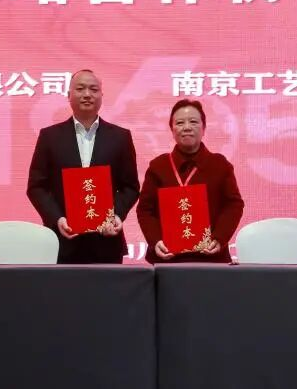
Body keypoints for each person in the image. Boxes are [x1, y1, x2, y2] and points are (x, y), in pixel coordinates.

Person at [27, 69, 140, 263]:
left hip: (106, 241)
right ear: (68, 95)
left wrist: (116, 216)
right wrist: (57, 219)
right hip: (62, 241)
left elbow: (130, 187)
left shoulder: (120, 137)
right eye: (80, 89)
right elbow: (36, 187)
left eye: (93, 89)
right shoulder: (49, 137)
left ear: (102, 95)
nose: (87, 94)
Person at [136, 99, 244, 264]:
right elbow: (145, 209)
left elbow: (233, 205)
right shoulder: (158, 166)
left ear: (204, 128)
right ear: (172, 129)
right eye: (180, 123)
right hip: (167, 257)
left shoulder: (220, 165)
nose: (187, 127)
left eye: (193, 122)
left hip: (211, 256)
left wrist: (219, 238)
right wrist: (156, 241)